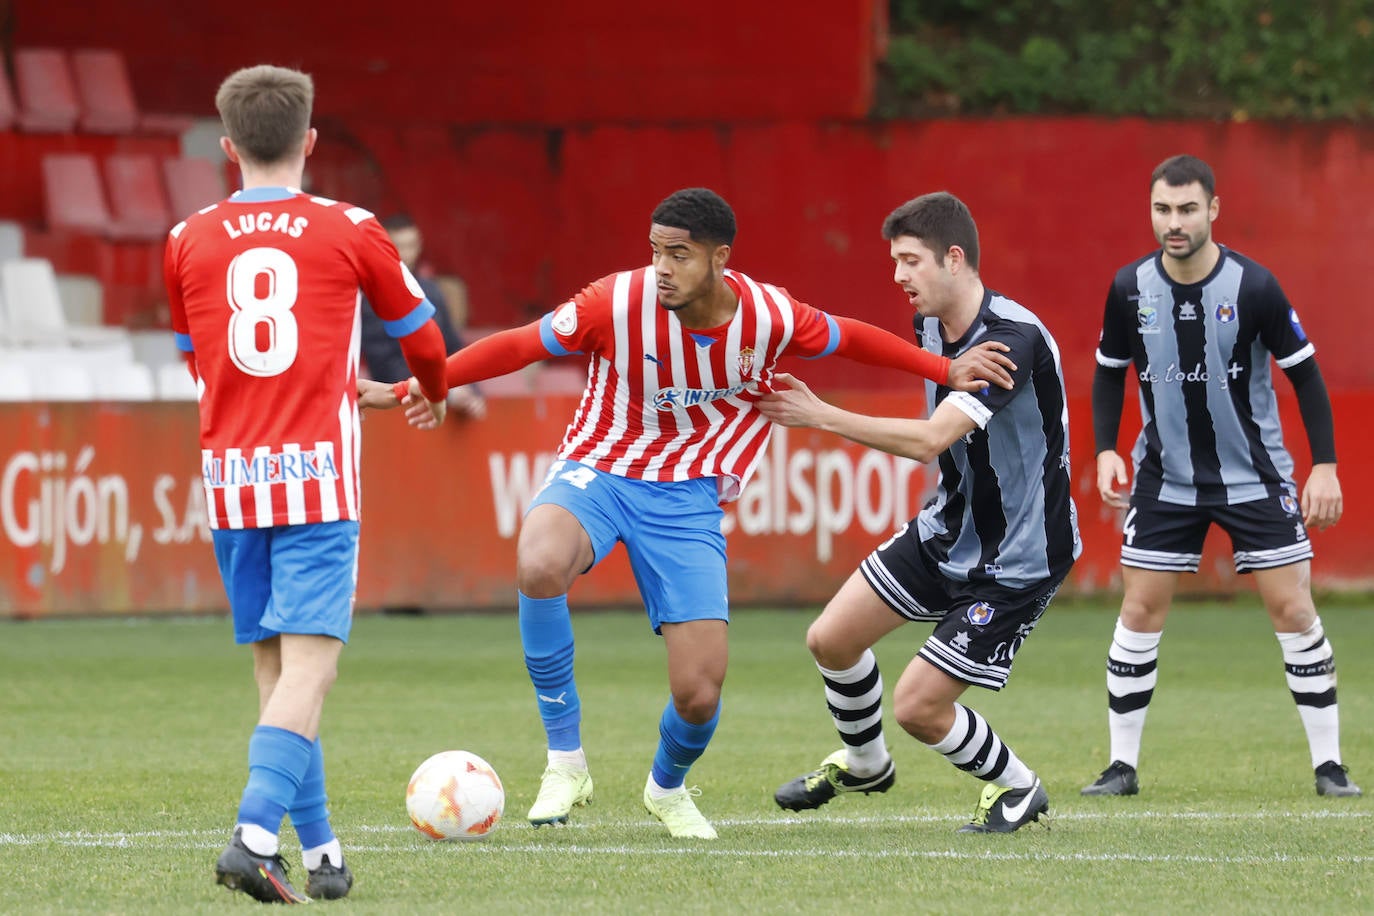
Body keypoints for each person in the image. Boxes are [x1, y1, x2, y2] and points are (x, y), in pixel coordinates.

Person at [359, 187, 1017, 839]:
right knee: (538, 562)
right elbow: (521, 346)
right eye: (655, 252)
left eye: (679, 255)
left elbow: (852, 338)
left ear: (719, 259)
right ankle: (566, 761)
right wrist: (416, 383)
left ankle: (667, 789)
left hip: (689, 494)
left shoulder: (769, 317)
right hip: (602, 467)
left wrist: (942, 368)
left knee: (700, 693)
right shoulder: (613, 302)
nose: (662, 269)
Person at [164, 64, 449, 902]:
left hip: (233, 479)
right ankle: (254, 836)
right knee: (312, 668)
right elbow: (424, 339)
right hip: (317, 480)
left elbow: (198, 362)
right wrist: (426, 392)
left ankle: (321, 853)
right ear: (311, 141)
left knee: (277, 672)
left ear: (227, 147)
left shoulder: (186, 237)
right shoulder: (351, 226)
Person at [764, 191, 1079, 833]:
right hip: (947, 531)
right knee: (830, 639)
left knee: (918, 707)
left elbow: (930, 440)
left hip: (1018, 556)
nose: (898, 276)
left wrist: (819, 414)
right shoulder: (932, 327)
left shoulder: (1009, 341)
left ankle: (1020, 788)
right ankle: (866, 764)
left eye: (909, 261)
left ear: (953, 259)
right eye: (895, 261)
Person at [1081, 154, 1360, 799]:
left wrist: (1324, 466)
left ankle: (1330, 767)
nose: (1173, 223)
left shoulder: (1256, 287)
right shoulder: (1128, 288)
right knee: (1139, 610)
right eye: (1162, 210)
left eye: (1186, 209)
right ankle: (1121, 768)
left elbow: (1306, 374)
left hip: (1254, 478)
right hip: (1164, 479)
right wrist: (1103, 449)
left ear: (1213, 210)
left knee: (1293, 608)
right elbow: (1107, 369)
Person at [361, 214, 485, 418]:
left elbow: (453, 347)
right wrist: (444, 393)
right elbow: (385, 368)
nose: (406, 253)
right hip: (398, 411)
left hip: (441, 403)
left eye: (411, 245)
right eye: (398, 245)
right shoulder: (371, 301)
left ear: (419, 245)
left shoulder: (432, 292)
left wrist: (472, 392)